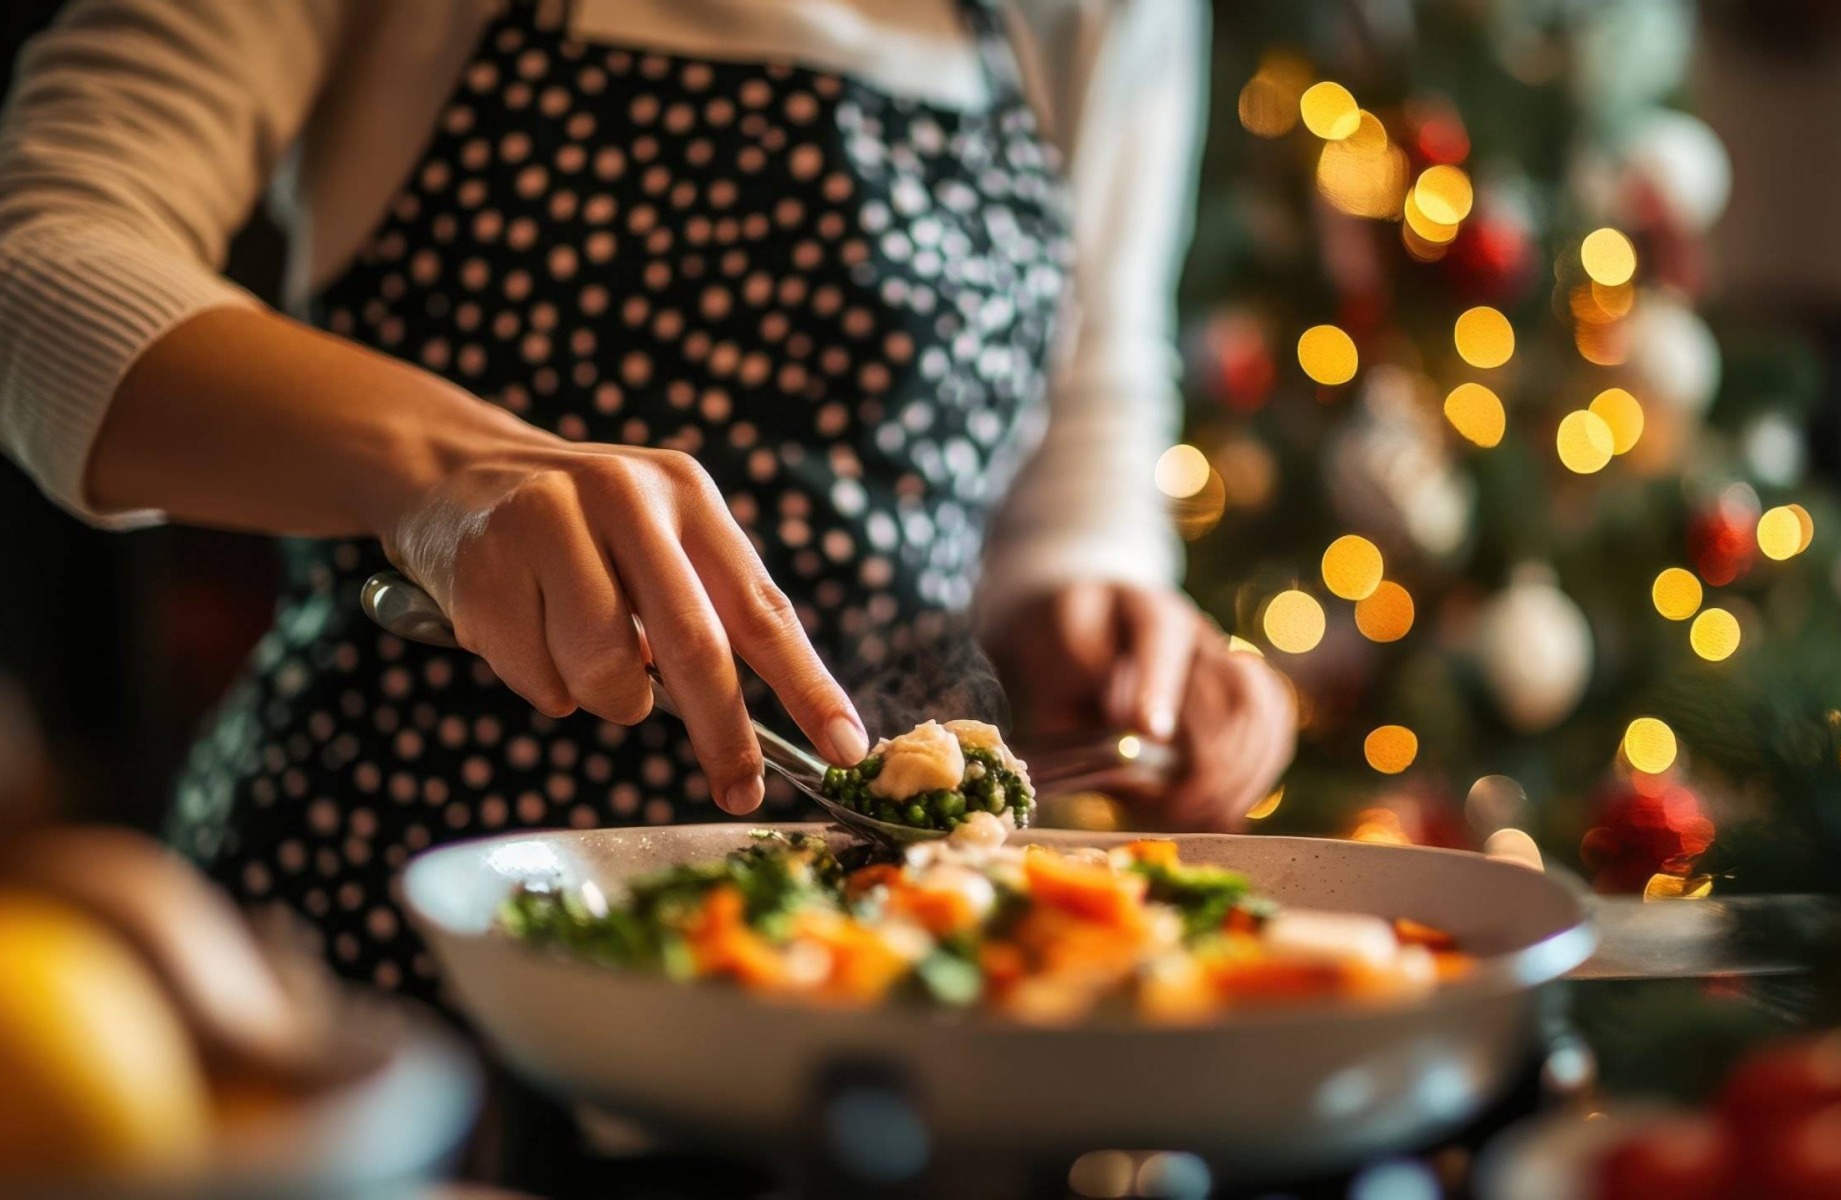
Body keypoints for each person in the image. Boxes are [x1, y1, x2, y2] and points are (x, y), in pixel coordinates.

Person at [0, 0, 1295, 998]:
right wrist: (446, 468)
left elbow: (1094, 406)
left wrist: (1096, 597)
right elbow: (34, 261)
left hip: (901, 979)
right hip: (389, 928)